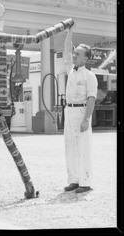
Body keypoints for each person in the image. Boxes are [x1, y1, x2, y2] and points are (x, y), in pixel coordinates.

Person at [63, 24, 98, 193]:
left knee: (83, 146)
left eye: (78, 53)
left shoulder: (89, 76)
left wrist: (86, 119)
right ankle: (74, 180)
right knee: (70, 145)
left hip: (81, 112)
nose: (74, 55)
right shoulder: (71, 71)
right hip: (68, 111)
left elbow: (92, 98)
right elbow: (66, 51)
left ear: (86, 58)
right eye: (75, 52)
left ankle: (86, 182)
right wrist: (70, 32)